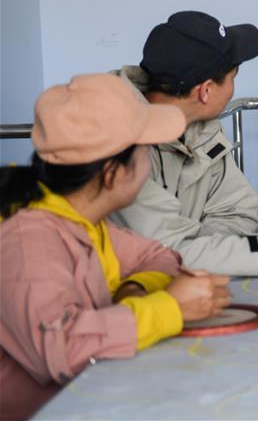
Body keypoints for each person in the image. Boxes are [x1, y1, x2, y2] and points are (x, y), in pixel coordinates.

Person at [0, 74, 231, 418]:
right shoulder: (27, 239)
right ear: (113, 173)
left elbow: (160, 257)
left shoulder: (84, 220)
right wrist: (170, 308)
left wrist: (134, 290)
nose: (149, 164)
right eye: (145, 151)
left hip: (91, 397)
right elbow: (61, 347)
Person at [110, 11, 258, 276]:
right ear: (206, 90)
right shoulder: (112, 141)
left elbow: (239, 215)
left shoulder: (199, 127)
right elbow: (159, 254)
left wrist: (203, 251)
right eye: (233, 76)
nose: (234, 86)